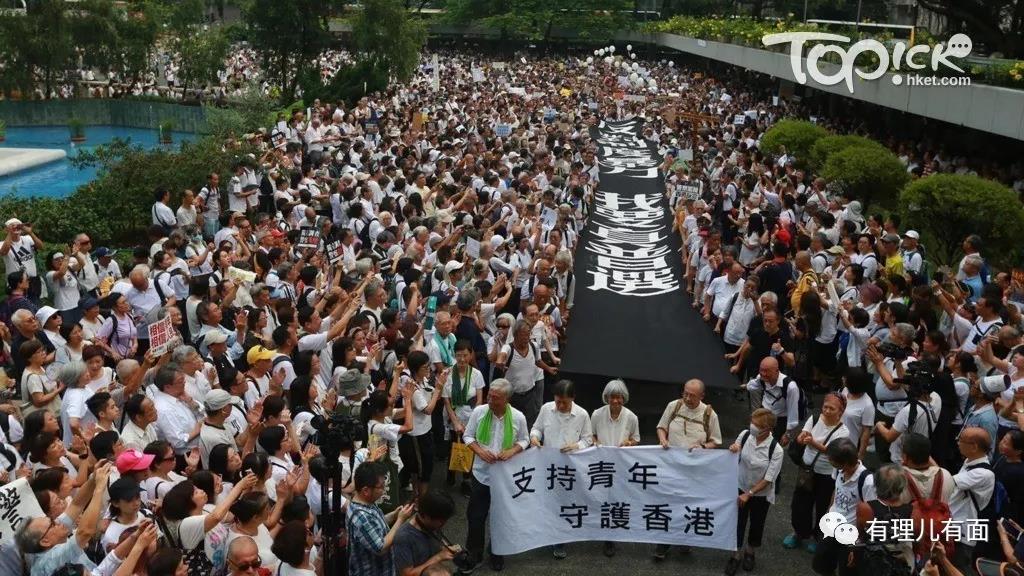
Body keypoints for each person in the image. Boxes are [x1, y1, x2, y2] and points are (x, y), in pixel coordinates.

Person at [462, 378, 529, 572]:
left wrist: (512, 451)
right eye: (490, 396)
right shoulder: (479, 412)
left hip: (505, 477)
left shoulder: (518, 417)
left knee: (501, 517)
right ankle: (474, 552)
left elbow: (524, 440)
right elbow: (468, 436)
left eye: (496, 398)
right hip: (481, 474)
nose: (490, 400)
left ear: (507, 399)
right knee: (476, 516)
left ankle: (497, 552)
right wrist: (479, 451)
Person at [529, 379, 593, 559]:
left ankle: (560, 541)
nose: (560, 405)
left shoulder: (582, 414)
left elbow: (588, 439)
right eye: (557, 401)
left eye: (564, 402)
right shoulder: (546, 409)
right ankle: (545, 535)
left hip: (570, 467)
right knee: (547, 502)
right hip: (548, 464)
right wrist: (534, 438)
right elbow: (536, 429)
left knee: (565, 503)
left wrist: (576, 446)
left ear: (572, 398)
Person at [15, 461, 111, 576]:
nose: (57, 522)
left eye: (51, 520)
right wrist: (99, 489)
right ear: (45, 541)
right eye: (52, 524)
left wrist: (93, 478)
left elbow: (76, 505)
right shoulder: (47, 562)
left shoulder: (48, 535)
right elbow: (85, 532)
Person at [784, 393, 849, 552]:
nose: (827, 411)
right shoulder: (814, 418)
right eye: (825, 407)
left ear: (840, 411)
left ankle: (817, 537)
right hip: (807, 469)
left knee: (822, 507)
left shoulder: (843, 431)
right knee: (800, 504)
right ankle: (798, 533)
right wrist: (801, 438)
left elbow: (832, 451)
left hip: (827, 474)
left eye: (832, 408)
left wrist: (813, 442)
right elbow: (803, 435)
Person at [725, 408, 783, 576]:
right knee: (738, 521)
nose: (753, 427)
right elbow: (736, 450)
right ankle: (735, 555)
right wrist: (734, 448)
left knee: (757, 523)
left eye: (757, 425)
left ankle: (750, 552)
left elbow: (768, 479)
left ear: (768, 429)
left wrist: (748, 493)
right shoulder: (745, 435)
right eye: (752, 422)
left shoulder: (776, 450)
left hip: (760, 494)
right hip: (740, 485)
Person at [812, 438, 875, 576]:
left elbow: (869, 514)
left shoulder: (867, 481)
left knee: (847, 571)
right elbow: (836, 490)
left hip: (850, 536)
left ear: (845, 463)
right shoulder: (839, 470)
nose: (830, 462)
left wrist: (858, 545)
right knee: (821, 564)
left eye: (832, 460)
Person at [347, 461, 417, 576]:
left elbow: (376, 524)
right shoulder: (362, 517)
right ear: (366, 490)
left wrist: (394, 515)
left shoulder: (363, 502)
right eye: (381, 487)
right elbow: (380, 548)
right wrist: (400, 520)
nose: (384, 490)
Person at [949, 426, 996, 572]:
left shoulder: (983, 473)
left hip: (965, 529)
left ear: (974, 447)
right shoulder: (970, 461)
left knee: (958, 566)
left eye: (960, 439)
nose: (957, 442)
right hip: (955, 523)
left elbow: (949, 481)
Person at [393, 489, 458, 576]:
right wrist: (439, 557)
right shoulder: (404, 537)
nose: (443, 524)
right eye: (441, 521)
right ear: (427, 516)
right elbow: (407, 574)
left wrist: (447, 550)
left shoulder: (431, 525)